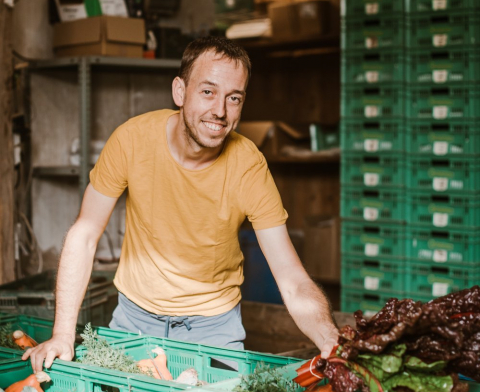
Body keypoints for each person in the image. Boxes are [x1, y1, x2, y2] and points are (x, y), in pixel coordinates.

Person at [23, 36, 338, 372]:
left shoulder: (249, 166)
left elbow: (291, 277)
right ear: (179, 91)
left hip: (214, 331)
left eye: (234, 98)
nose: (220, 111)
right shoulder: (132, 140)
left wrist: (329, 338)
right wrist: (62, 334)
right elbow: (85, 234)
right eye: (208, 92)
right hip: (133, 323)